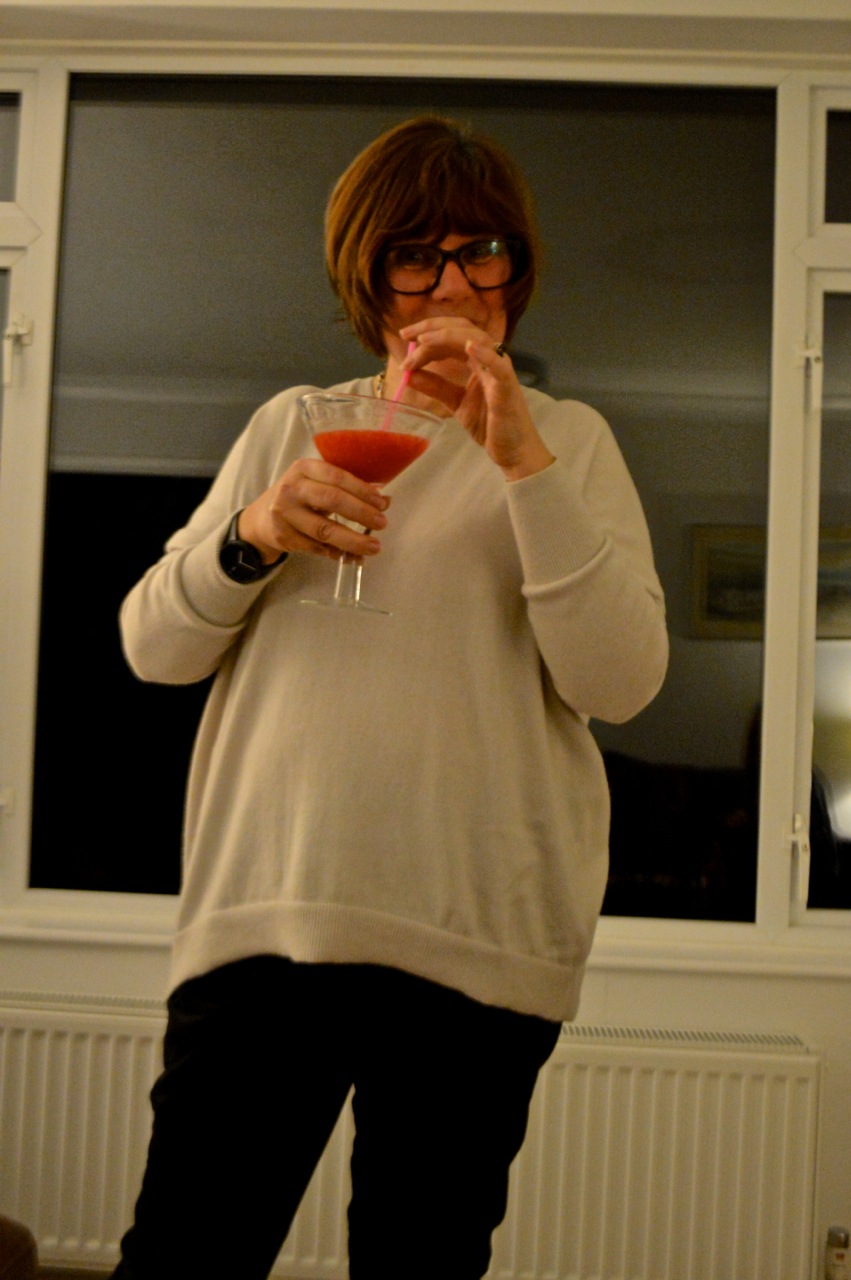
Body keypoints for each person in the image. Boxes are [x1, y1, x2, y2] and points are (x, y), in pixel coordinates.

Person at [114, 115, 668, 1280]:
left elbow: (618, 682)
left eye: (481, 252)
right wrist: (253, 533)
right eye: (416, 255)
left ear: (515, 270)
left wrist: (520, 463)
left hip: (479, 942)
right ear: (366, 280)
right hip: (269, 922)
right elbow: (152, 646)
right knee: (184, 1255)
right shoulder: (293, 424)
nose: (453, 285)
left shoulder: (570, 443)